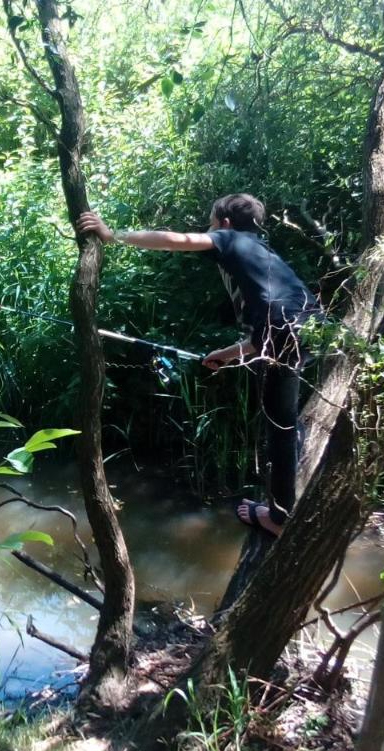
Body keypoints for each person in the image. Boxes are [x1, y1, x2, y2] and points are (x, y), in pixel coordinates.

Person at [76, 193, 319, 537]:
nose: (208, 230)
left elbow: (176, 240)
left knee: (277, 426)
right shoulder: (263, 256)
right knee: (284, 416)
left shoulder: (230, 238)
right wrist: (226, 354)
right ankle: (292, 473)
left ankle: (279, 519)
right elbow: (264, 335)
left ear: (224, 223)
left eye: (210, 223)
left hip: (282, 331)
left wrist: (111, 233)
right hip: (310, 329)